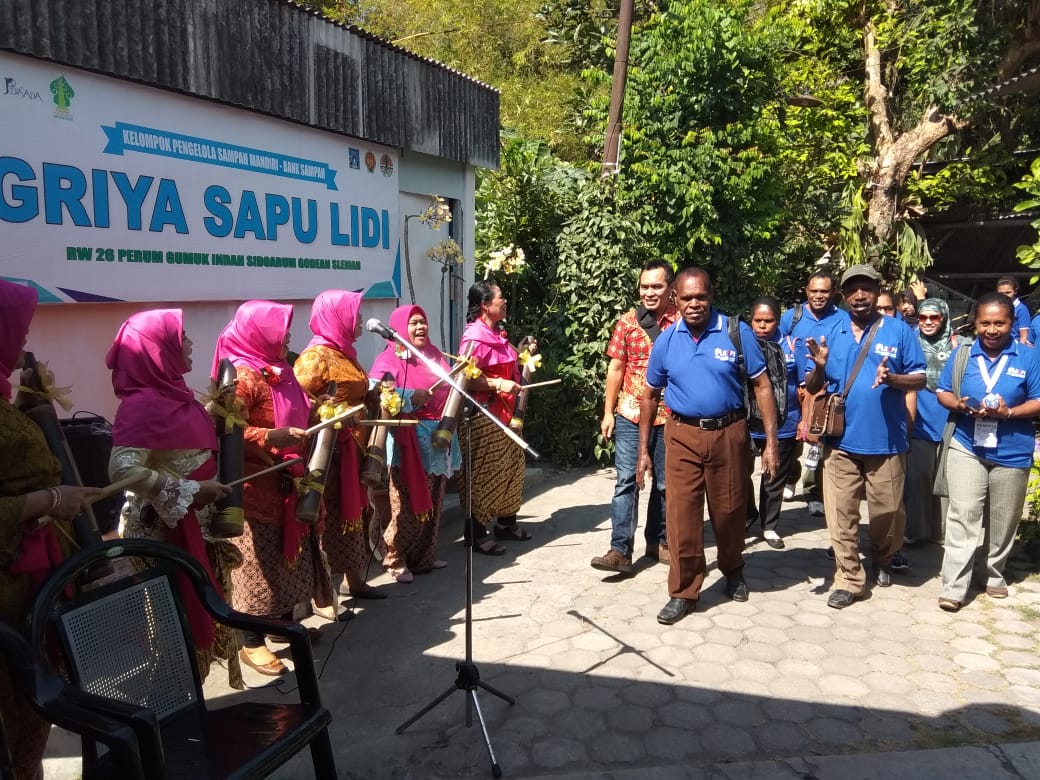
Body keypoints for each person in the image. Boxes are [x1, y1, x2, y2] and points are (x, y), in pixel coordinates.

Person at [0, 280, 105, 779]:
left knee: (32, 703)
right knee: (14, 707)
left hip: (30, 580)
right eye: (17, 332)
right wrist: (48, 499)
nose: (23, 346)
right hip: (6, 589)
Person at [638, 267, 779, 625]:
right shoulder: (667, 340)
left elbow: (762, 386)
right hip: (681, 436)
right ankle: (684, 591)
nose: (694, 304)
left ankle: (733, 569)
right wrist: (643, 451)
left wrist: (771, 443)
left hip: (729, 434)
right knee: (682, 517)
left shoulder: (735, 332)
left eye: (700, 296)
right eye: (686, 298)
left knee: (729, 511)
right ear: (676, 300)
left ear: (711, 295)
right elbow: (650, 395)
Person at [106, 309, 239, 684]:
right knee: (174, 625)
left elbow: (184, 447)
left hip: (197, 526)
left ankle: (189, 706)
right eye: (182, 337)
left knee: (201, 613)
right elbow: (121, 471)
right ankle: (173, 711)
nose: (191, 343)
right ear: (157, 349)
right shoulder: (141, 404)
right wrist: (193, 489)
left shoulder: (175, 394)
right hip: (162, 535)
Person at [804, 264, 926, 610]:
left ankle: (883, 555)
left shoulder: (899, 332)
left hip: (887, 441)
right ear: (843, 296)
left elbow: (919, 379)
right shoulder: (830, 329)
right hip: (840, 442)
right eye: (853, 290)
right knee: (841, 514)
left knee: (888, 513)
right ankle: (849, 578)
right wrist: (819, 367)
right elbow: (813, 388)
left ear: (877, 292)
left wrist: (893, 380)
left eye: (867, 289)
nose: (860, 295)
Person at [213, 300, 321, 676]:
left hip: (288, 478)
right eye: (282, 328)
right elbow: (226, 429)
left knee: (283, 560)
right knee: (256, 566)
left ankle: (279, 625)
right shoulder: (243, 376)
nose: (289, 334)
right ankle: (251, 642)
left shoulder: (280, 369)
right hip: (256, 486)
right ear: (261, 332)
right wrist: (270, 435)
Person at [935, 292, 1040, 611]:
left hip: (1012, 450)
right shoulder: (963, 354)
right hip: (967, 444)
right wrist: (960, 405)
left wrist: (1009, 413)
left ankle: (992, 571)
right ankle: (954, 584)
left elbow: (1038, 399)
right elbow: (942, 391)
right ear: (975, 323)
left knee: (1003, 518)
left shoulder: (1027, 357)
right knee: (963, 514)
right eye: (985, 323)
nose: (991, 329)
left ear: (1011, 323)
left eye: (999, 323)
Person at [294, 290, 384, 603]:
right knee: (331, 515)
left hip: (353, 447)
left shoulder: (344, 352)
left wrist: (372, 397)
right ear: (338, 317)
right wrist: (333, 413)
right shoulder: (315, 357)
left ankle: (355, 578)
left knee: (354, 509)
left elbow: (355, 391)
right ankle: (325, 597)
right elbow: (300, 405)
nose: (359, 320)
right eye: (354, 314)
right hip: (328, 452)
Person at [592, 261, 678, 575]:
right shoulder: (627, 323)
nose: (649, 292)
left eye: (656, 286)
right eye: (644, 286)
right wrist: (607, 411)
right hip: (630, 413)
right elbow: (616, 368)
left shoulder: (683, 323)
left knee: (666, 484)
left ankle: (660, 541)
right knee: (626, 482)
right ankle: (620, 550)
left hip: (671, 415)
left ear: (670, 289)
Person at [368, 304, 461, 583]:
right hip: (410, 438)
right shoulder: (389, 359)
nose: (421, 328)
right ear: (399, 329)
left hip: (440, 437)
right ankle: (396, 556)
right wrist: (410, 397)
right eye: (413, 323)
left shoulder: (432, 355)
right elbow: (378, 393)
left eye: (423, 322)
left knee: (434, 500)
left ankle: (424, 556)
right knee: (409, 503)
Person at [458, 280, 529, 555]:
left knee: (512, 467)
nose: (505, 301)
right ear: (485, 305)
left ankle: (506, 523)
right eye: (500, 298)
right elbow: (464, 379)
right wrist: (498, 385)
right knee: (485, 473)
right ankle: (475, 533)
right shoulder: (474, 338)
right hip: (484, 415)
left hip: (507, 413)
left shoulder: (497, 333)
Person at [780, 270, 850, 518]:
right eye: (814, 291)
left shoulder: (843, 319)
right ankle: (789, 478)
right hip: (793, 390)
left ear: (833, 293)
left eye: (824, 291)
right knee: (789, 439)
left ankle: (812, 492)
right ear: (806, 291)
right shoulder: (792, 317)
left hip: (822, 390)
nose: (819, 296)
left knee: (816, 443)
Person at [745, 296, 800, 550]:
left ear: (778, 321)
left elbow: (803, 385)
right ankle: (747, 514)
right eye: (758, 320)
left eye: (769, 321)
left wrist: (805, 419)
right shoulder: (742, 343)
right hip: (747, 422)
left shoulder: (791, 344)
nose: (763, 326)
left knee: (773, 476)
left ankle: (769, 526)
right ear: (751, 320)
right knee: (740, 472)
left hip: (784, 423)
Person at [904, 298, 957, 545]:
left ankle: (942, 532)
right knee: (918, 476)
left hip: (949, 419)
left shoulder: (958, 345)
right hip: (919, 417)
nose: (926, 322)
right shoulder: (909, 341)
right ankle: (916, 531)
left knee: (945, 479)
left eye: (933, 318)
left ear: (943, 318)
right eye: (922, 317)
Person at [995, 277, 1030, 343]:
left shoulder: (1021, 309)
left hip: (1014, 345)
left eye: (1008, 292)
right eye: (1001, 294)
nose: (1005, 296)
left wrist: (1021, 350)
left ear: (1015, 291)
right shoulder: (994, 307)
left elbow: (1024, 334)